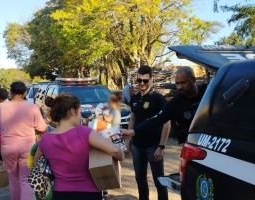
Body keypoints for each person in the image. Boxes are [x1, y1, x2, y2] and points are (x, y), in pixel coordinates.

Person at [34, 94, 124, 200]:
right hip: (89, 193)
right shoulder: (84, 132)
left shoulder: (46, 139)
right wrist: (121, 156)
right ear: (73, 111)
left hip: (60, 193)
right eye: (80, 112)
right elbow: (115, 150)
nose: (80, 116)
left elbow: (36, 162)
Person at [122, 66, 206, 144]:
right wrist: (133, 132)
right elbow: (157, 119)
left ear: (193, 80)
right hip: (191, 143)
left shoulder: (208, 91)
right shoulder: (176, 102)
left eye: (183, 83)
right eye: (177, 83)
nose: (179, 87)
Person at [0, 82, 47, 200]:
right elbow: (42, 128)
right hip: (27, 147)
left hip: (8, 147)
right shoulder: (32, 107)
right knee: (25, 179)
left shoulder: (1, 107)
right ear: (25, 93)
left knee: (13, 179)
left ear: (11, 92)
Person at [128, 65, 171, 200]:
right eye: (139, 80)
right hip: (137, 146)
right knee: (140, 179)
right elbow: (132, 118)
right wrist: (128, 141)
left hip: (153, 146)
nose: (141, 83)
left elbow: (167, 123)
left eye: (145, 81)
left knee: (159, 180)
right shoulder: (134, 97)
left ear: (151, 79)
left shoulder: (158, 99)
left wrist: (161, 146)